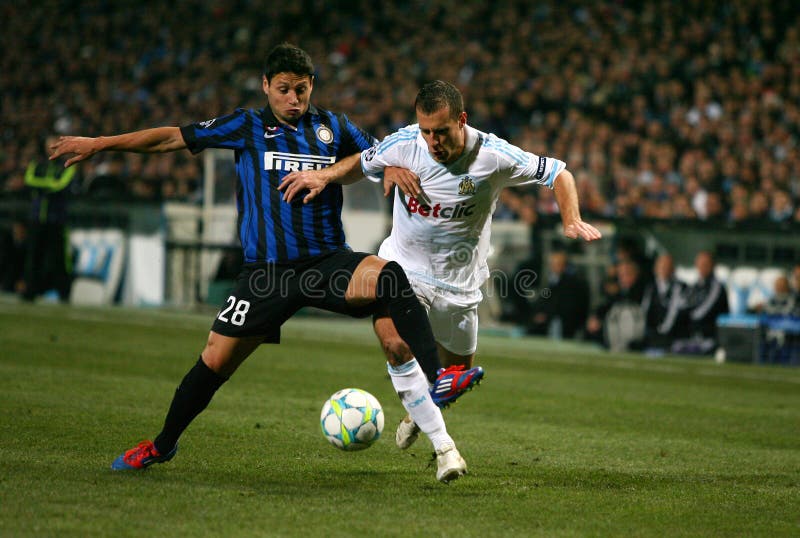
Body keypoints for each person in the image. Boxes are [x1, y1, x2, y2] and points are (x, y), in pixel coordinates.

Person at [49, 44, 483, 483]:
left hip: (326, 263)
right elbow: (171, 138)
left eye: (300, 89)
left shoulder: (333, 126)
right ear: (266, 87)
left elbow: (374, 155)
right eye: (283, 90)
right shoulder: (247, 125)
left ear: (311, 85)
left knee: (389, 275)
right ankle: (161, 445)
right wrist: (101, 144)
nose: (293, 99)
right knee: (214, 363)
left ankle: (440, 377)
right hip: (266, 275)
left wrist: (386, 167)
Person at [279, 80, 601, 450]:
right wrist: (324, 175)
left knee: (454, 378)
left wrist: (571, 219)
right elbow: (362, 163)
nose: (433, 141)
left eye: (441, 131)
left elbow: (559, 173)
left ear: (461, 120)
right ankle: (441, 442)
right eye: (426, 131)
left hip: (460, 285)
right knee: (396, 345)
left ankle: (419, 411)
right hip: (404, 272)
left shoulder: (492, 156)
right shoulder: (405, 143)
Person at [22, 136, 79, 302]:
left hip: (57, 220)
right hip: (37, 218)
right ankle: (30, 291)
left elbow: (61, 185)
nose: (52, 148)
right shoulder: (37, 164)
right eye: (49, 145)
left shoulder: (68, 165)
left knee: (59, 257)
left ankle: (64, 293)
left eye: (55, 145)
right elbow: (29, 180)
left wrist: (43, 186)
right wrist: (50, 185)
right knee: (34, 256)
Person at [525, 249, 590, 340]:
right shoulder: (552, 282)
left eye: (557, 264)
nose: (554, 267)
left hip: (563, 322)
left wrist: (547, 315)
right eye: (552, 264)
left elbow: (567, 305)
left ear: (564, 266)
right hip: (552, 320)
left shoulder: (571, 283)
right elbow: (543, 301)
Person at [641, 253, 688, 349]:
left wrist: (661, 332)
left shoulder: (679, 287)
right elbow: (644, 310)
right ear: (656, 268)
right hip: (651, 335)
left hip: (671, 337)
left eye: (667, 266)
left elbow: (673, 312)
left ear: (673, 269)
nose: (664, 269)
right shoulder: (650, 287)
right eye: (661, 266)